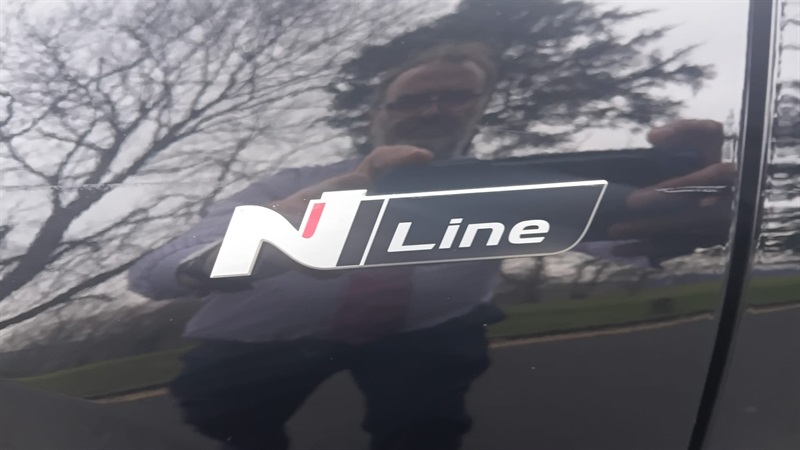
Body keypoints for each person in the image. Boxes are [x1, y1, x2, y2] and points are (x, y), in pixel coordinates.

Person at [128, 42, 734, 450]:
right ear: (378, 114)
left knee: (425, 428)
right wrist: (255, 245)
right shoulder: (287, 185)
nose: (434, 109)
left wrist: (682, 219)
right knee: (217, 417)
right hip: (264, 338)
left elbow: (615, 240)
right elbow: (151, 271)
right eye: (414, 99)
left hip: (425, 331)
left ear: (480, 108)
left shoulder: (514, 188)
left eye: (455, 96)